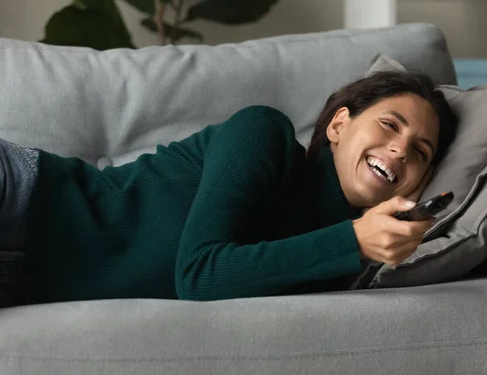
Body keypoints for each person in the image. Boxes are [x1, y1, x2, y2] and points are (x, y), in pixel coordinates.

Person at [0, 70, 457, 306]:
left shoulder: (337, 266)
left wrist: (358, 245)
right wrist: (354, 239)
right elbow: (199, 274)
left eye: (419, 152)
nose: (399, 151)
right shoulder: (264, 135)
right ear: (339, 124)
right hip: (26, 196)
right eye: (389, 125)